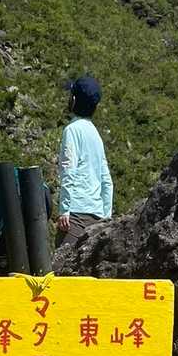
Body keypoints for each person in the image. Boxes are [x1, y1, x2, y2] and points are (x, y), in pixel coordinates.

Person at [56, 75, 113, 247]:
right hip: (97, 217)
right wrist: (106, 218)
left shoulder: (72, 130)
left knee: (62, 262)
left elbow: (68, 170)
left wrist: (64, 210)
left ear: (73, 100)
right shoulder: (95, 134)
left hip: (75, 215)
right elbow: (106, 181)